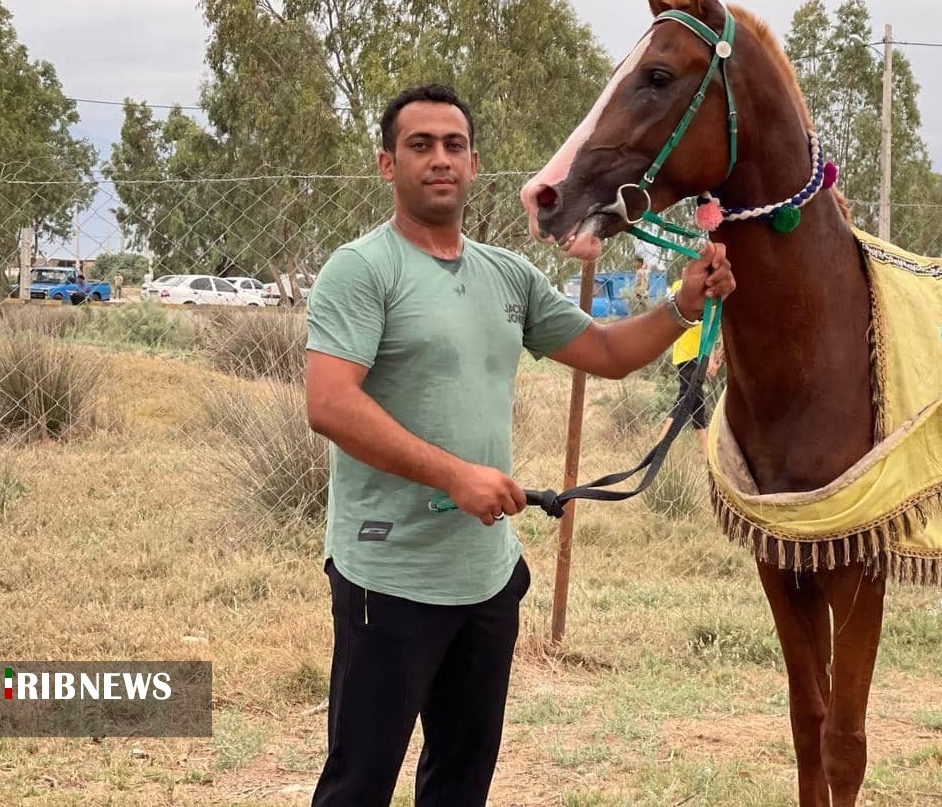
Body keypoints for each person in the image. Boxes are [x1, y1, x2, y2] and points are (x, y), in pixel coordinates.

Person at [304, 84, 736, 807]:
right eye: (419, 146)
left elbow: (602, 349)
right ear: (386, 165)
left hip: (485, 579)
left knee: (461, 781)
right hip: (389, 576)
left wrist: (681, 304)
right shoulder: (362, 270)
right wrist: (454, 475)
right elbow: (330, 404)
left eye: (452, 147)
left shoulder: (507, 275)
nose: (438, 160)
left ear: (474, 164)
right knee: (359, 783)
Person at [659, 273, 724, 456]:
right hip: (686, 353)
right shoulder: (680, 287)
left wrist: (711, 356)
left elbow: (709, 326)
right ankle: (661, 444)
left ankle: (704, 449)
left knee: (695, 399)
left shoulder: (711, 293)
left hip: (699, 353)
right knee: (687, 396)